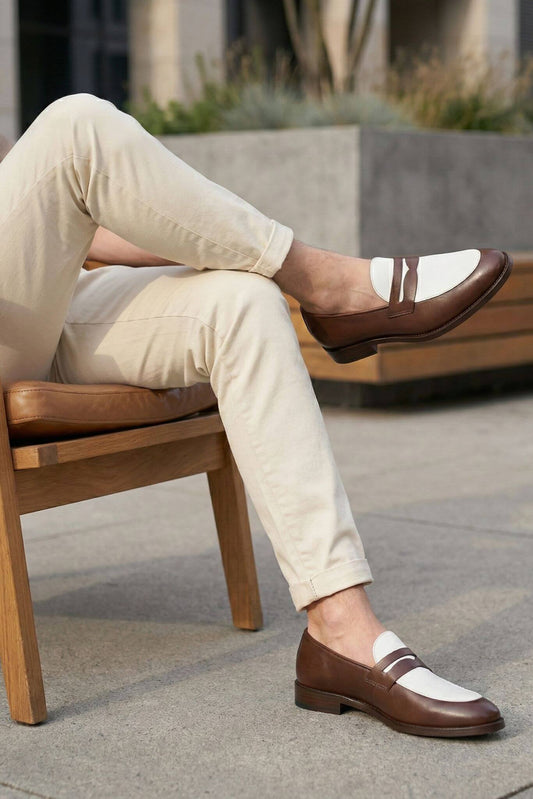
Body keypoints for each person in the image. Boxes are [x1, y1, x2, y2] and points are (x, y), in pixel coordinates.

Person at [0, 93, 511, 738]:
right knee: (75, 123)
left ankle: (340, 630)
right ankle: (332, 286)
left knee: (243, 301)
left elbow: (53, 211)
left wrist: (191, 230)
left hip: (42, 303)